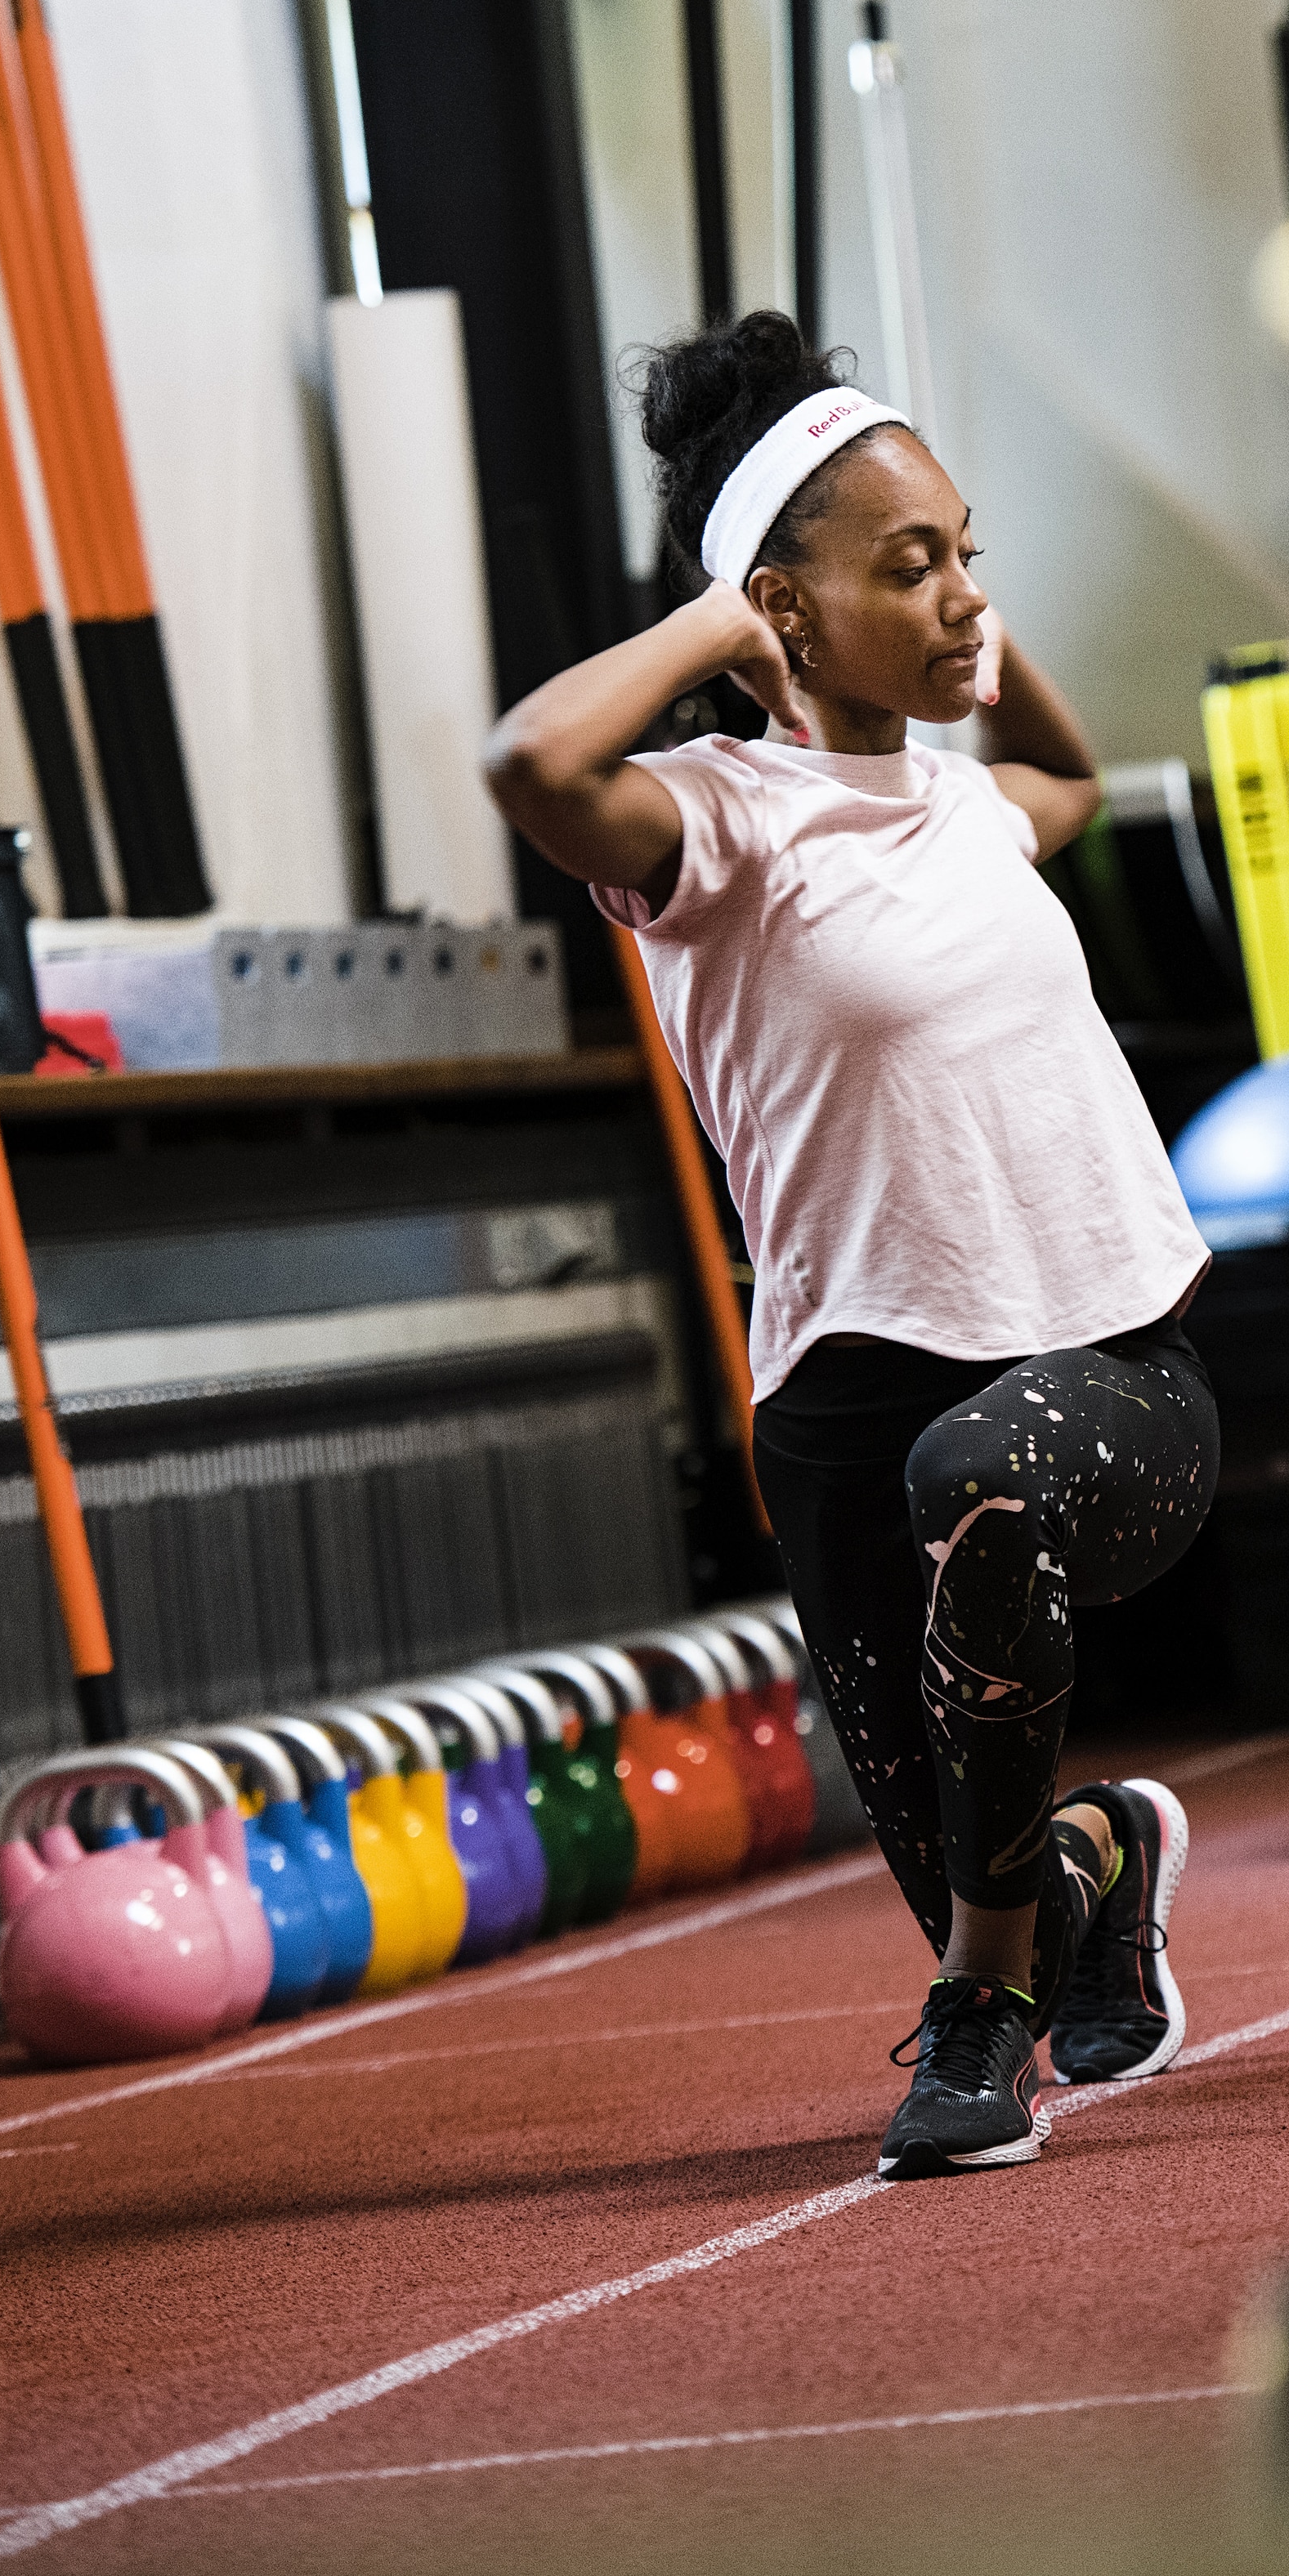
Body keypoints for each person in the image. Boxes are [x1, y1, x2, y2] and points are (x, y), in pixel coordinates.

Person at [484, 311, 1211, 2175]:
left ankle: (977, 2025)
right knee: (979, 1848)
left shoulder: (975, 809)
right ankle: (1086, 1867)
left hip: (1116, 1371)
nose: (967, 594)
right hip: (842, 1410)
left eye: (973, 552)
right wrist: (732, 627)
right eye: (913, 564)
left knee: (988, 1490)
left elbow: (1064, 764)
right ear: (779, 610)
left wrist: (945, 611)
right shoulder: (711, 829)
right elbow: (528, 761)